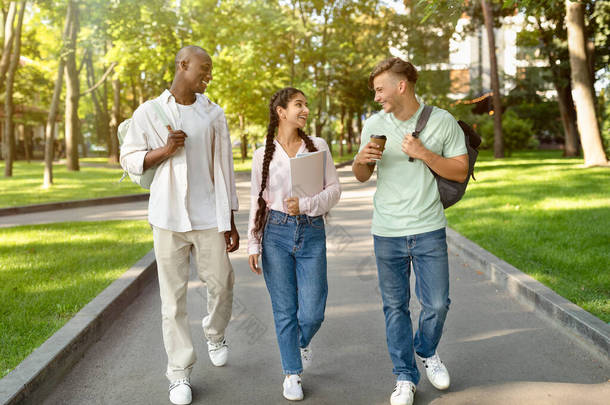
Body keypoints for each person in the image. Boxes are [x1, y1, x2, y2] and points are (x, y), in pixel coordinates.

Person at [120, 45, 239, 405]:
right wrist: (164, 151)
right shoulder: (148, 113)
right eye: (204, 68)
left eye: (211, 70)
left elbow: (226, 169)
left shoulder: (214, 113)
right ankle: (179, 372)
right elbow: (130, 160)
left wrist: (230, 218)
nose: (209, 75)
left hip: (207, 217)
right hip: (167, 217)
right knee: (172, 301)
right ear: (182, 65)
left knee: (222, 284)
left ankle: (215, 333)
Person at [352, 57, 468, 405]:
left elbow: (460, 171)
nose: (377, 97)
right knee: (395, 307)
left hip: (429, 227)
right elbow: (361, 176)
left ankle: (427, 350)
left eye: (380, 89)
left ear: (401, 85)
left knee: (436, 303)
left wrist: (424, 153)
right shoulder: (374, 122)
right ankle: (404, 376)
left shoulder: (443, 121)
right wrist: (361, 160)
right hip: (386, 230)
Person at [247, 87, 341, 401]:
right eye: (298, 105)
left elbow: (334, 191)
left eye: (306, 105)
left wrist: (308, 204)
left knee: (313, 311)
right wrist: (253, 243)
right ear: (281, 112)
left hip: (311, 230)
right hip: (275, 234)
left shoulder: (318, 147)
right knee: (284, 310)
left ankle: (299, 344)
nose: (305, 110)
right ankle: (292, 373)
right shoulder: (263, 153)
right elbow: (256, 201)